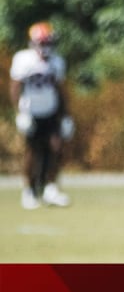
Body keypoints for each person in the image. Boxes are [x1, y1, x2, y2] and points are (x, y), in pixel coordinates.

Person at [9, 21, 75, 209]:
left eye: (48, 43)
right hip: (31, 112)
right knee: (32, 151)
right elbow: (15, 87)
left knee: (55, 149)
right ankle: (29, 190)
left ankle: (50, 188)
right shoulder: (23, 59)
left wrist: (66, 115)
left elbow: (61, 90)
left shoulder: (57, 62)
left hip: (51, 112)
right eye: (43, 43)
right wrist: (19, 112)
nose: (46, 47)